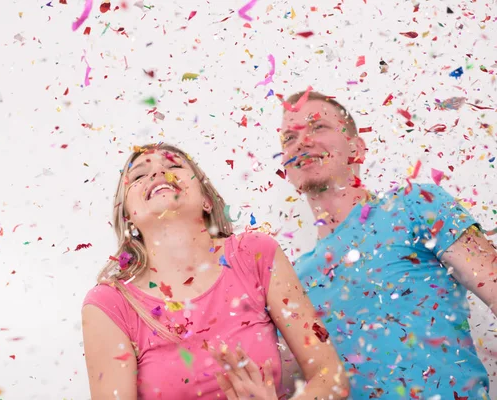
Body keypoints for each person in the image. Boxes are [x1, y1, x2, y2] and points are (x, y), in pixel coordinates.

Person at [221, 89, 497, 399]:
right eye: (289, 138)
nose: (302, 141)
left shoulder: (415, 204)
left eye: (318, 127)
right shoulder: (289, 281)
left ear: (356, 148)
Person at [81, 143, 350, 400]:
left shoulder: (254, 254)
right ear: (129, 218)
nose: (157, 172)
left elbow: (331, 378)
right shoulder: (109, 304)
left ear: (206, 199)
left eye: (173, 167)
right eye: (139, 174)